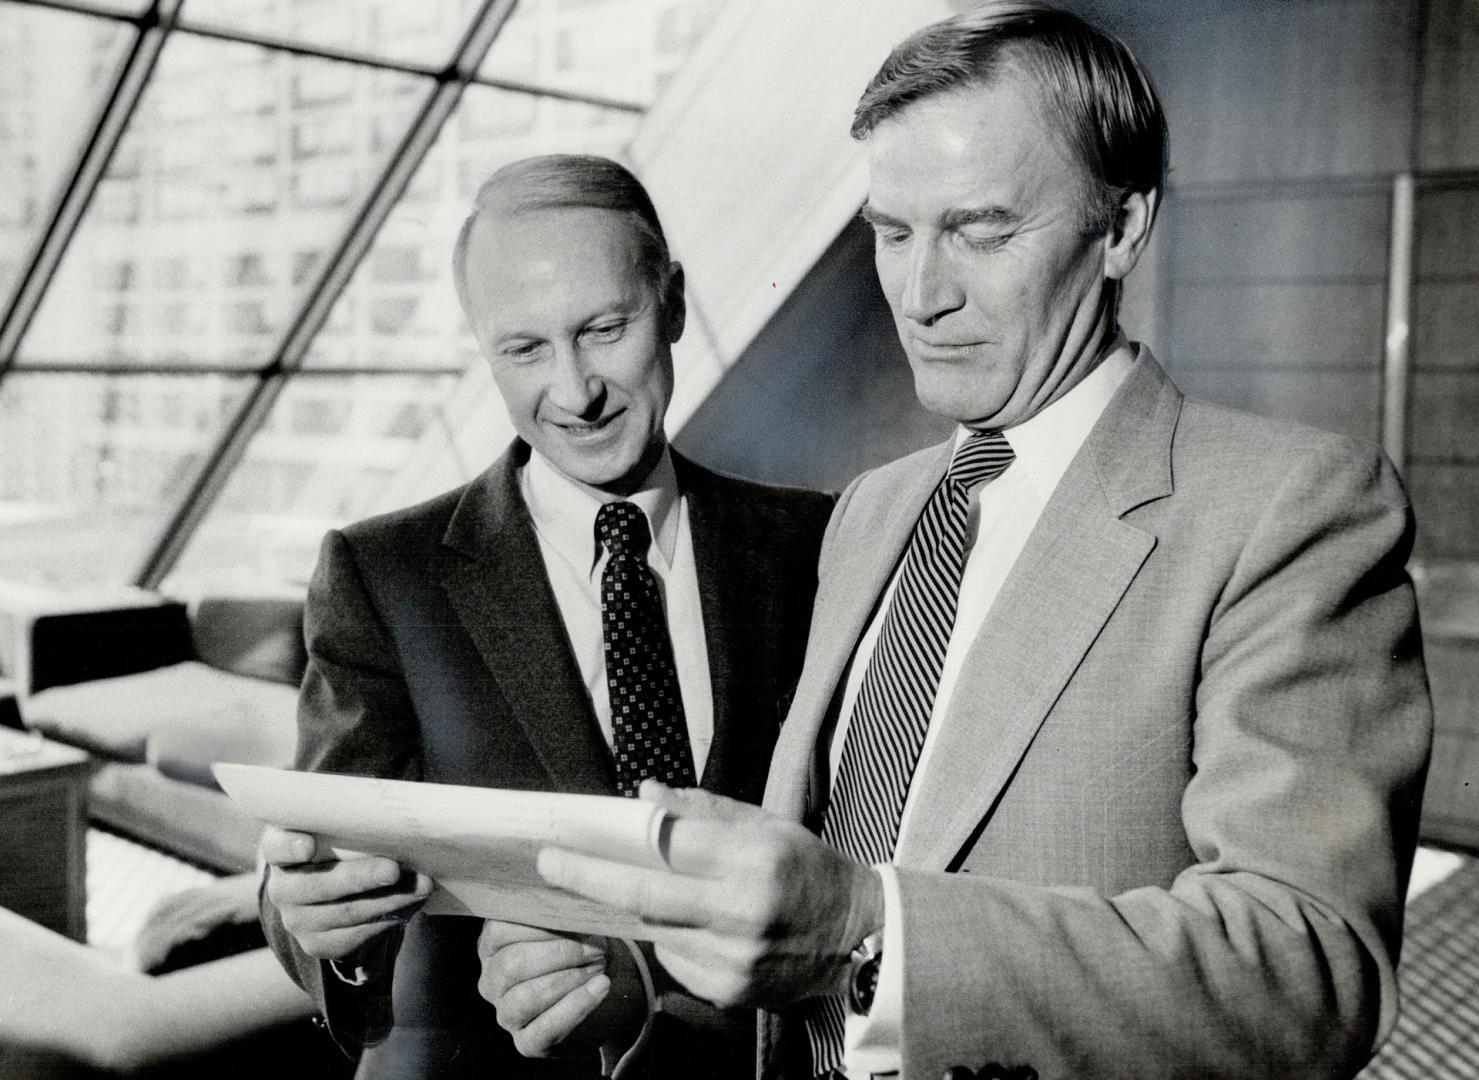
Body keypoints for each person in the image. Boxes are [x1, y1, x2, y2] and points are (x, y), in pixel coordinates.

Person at [497, 6, 1434, 1079]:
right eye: (893, 233)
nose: (922, 295)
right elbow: (801, 948)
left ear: (1123, 225)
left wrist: (866, 923)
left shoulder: (1287, 508)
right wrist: (644, 979)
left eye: (983, 229)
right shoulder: (874, 510)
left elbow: (1309, 972)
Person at [257, 154, 834, 1079]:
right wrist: (327, 926)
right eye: (524, 351)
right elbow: (314, 879)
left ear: (674, 302)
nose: (574, 393)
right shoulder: (382, 573)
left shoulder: (819, 544)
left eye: (605, 329)